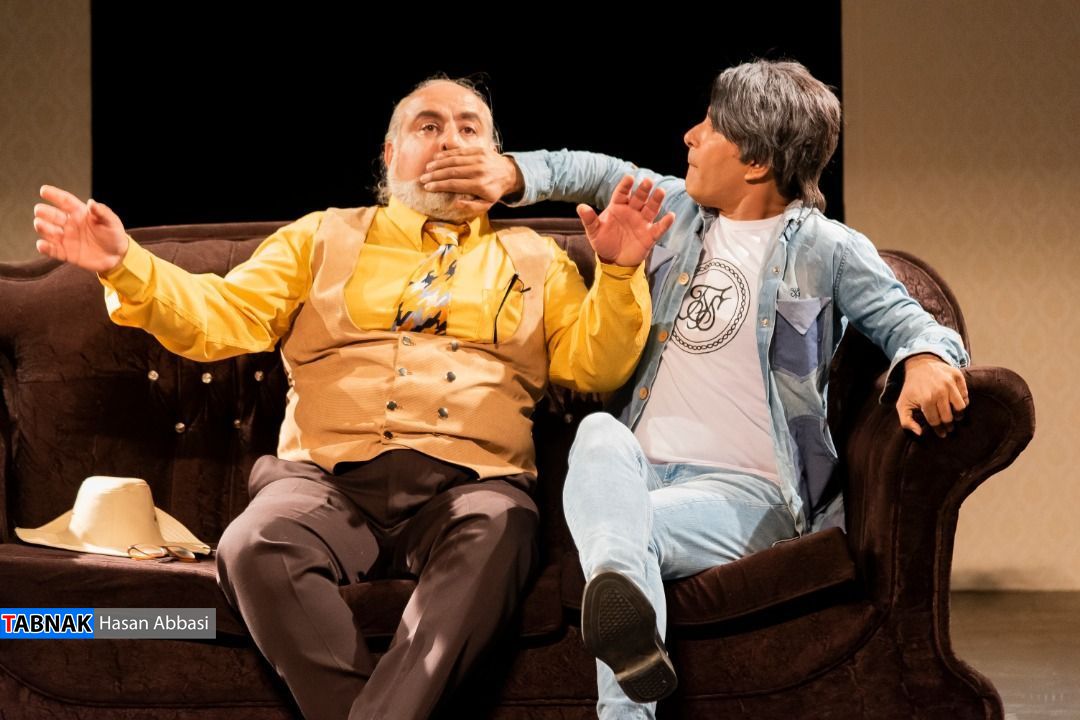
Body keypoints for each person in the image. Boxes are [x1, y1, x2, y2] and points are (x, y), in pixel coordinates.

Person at [31, 77, 674, 720]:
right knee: (253, 543)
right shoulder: (320, 236)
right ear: (390, 155)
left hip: (473, 486)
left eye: (469, 129)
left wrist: (619, 275)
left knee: (501, 532)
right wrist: (125, 264)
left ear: (495, 160)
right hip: (323, 481)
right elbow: (219, 315)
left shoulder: (536, 258)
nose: (450, 140)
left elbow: (595, 366)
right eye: (428, 126)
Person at [419, 60, 971, 719]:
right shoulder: (673, 213)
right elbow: (588, 170)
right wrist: (509, 173)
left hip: (751, 496)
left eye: (710, 127)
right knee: (600, 434)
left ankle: (623, 675)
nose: (689, 135)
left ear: (756, 162)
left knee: (621, 543)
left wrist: (925, 358)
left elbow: (913, 321)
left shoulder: (828, 248)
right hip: (638, 476)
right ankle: (621, 600)